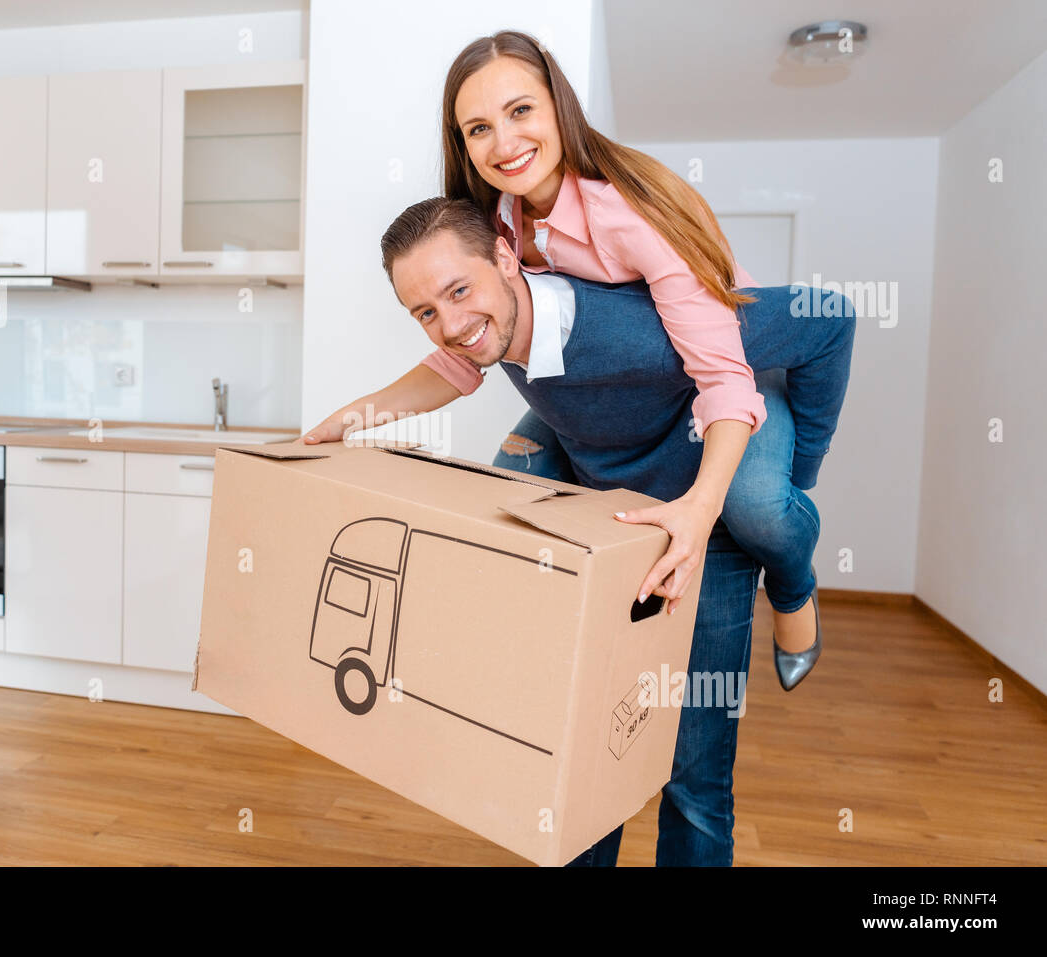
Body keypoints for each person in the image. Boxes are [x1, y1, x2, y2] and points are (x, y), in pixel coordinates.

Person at [306, 195, 854, 865]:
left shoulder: (644, 331)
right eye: (426, 311)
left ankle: (793, 583)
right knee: (592, 761)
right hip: (616, 510)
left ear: (505, 259)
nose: (449, 323)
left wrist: (800, 473)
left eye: (458, 290)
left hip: (702, 519)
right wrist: (355, 416)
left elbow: (828, 319)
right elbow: (455, 365)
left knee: (695, 782)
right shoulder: (496, 321)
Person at [305, 30, 848, 690]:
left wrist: (701, 508)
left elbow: (721, 375)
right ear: (463, 144)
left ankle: (793, 588)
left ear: (559, 107)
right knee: (510, 481)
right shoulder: (495, 221)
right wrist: (356, 415)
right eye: (479, 128)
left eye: (520, 111)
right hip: (602, 384)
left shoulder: (629, 215)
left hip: (719, 361)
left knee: (759, 503)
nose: (503, 144)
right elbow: (465, 354)